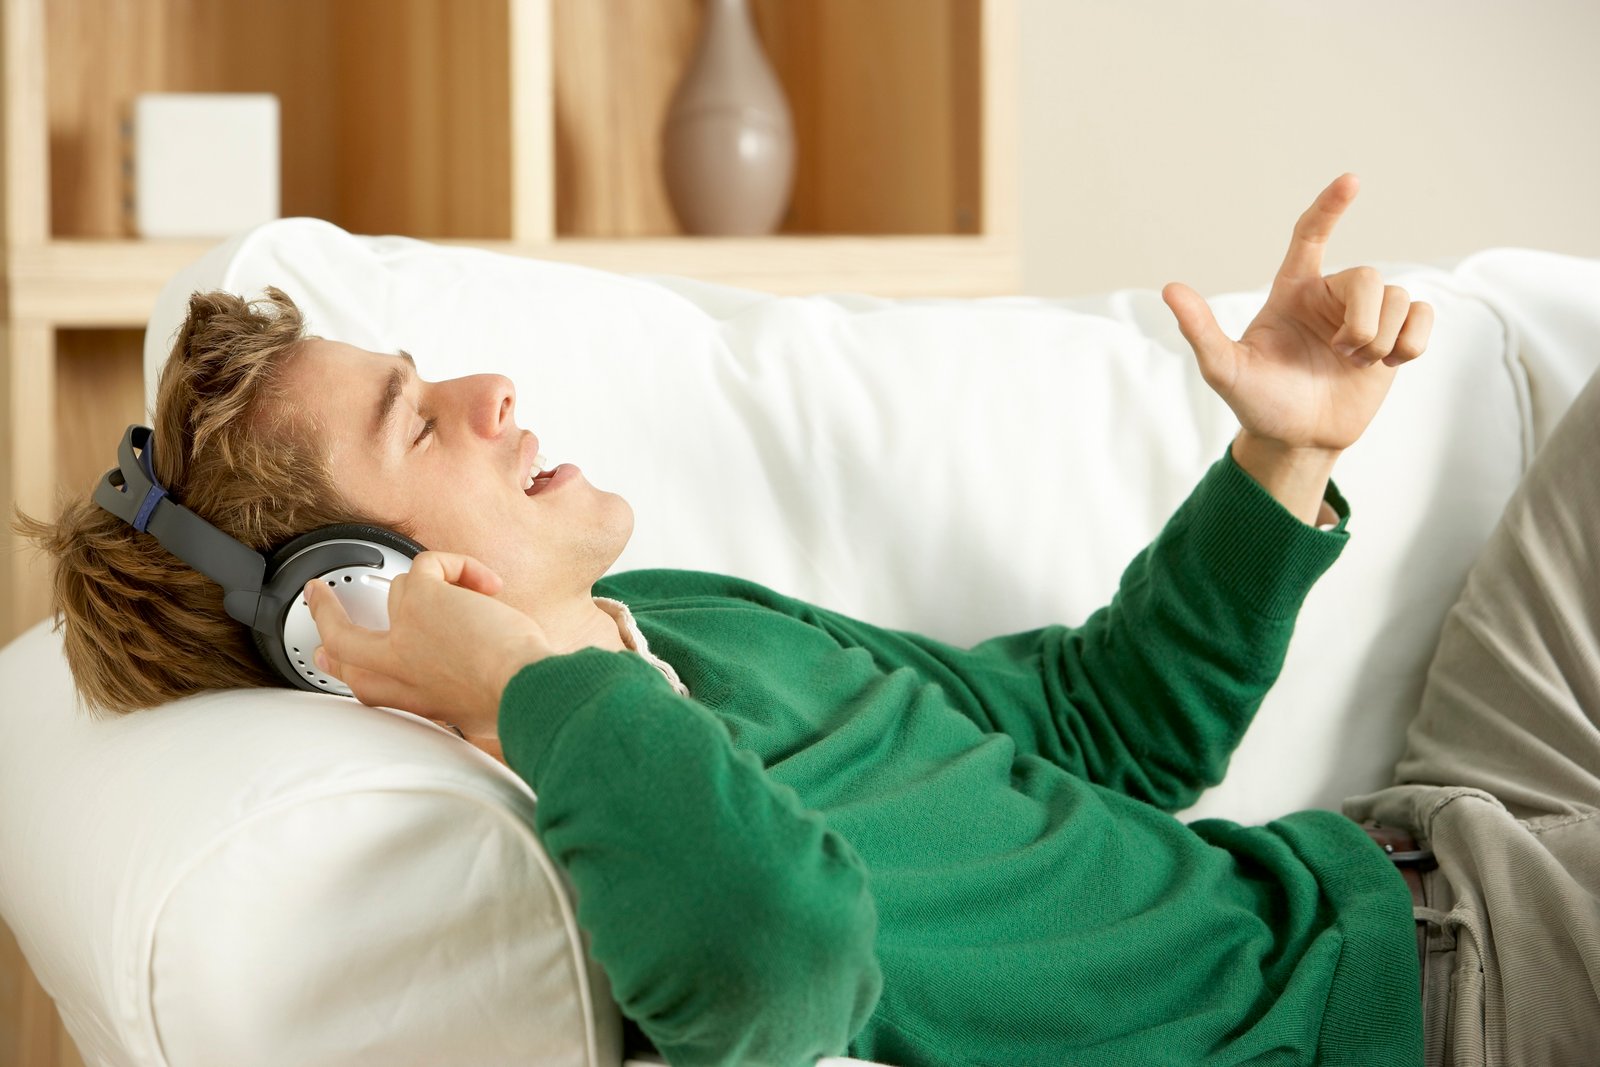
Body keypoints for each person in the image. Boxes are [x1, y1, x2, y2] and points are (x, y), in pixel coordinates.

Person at [21, 172, 1593, 1065]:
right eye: (417, 425)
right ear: (345, 605)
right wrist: (533, 690)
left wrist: (1284, 450)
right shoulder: (608, 805)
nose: (488, 390)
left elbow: (1102, 733)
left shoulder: (675, 620)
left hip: (1433, 835)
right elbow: (784, 974)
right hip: (1462, 998)